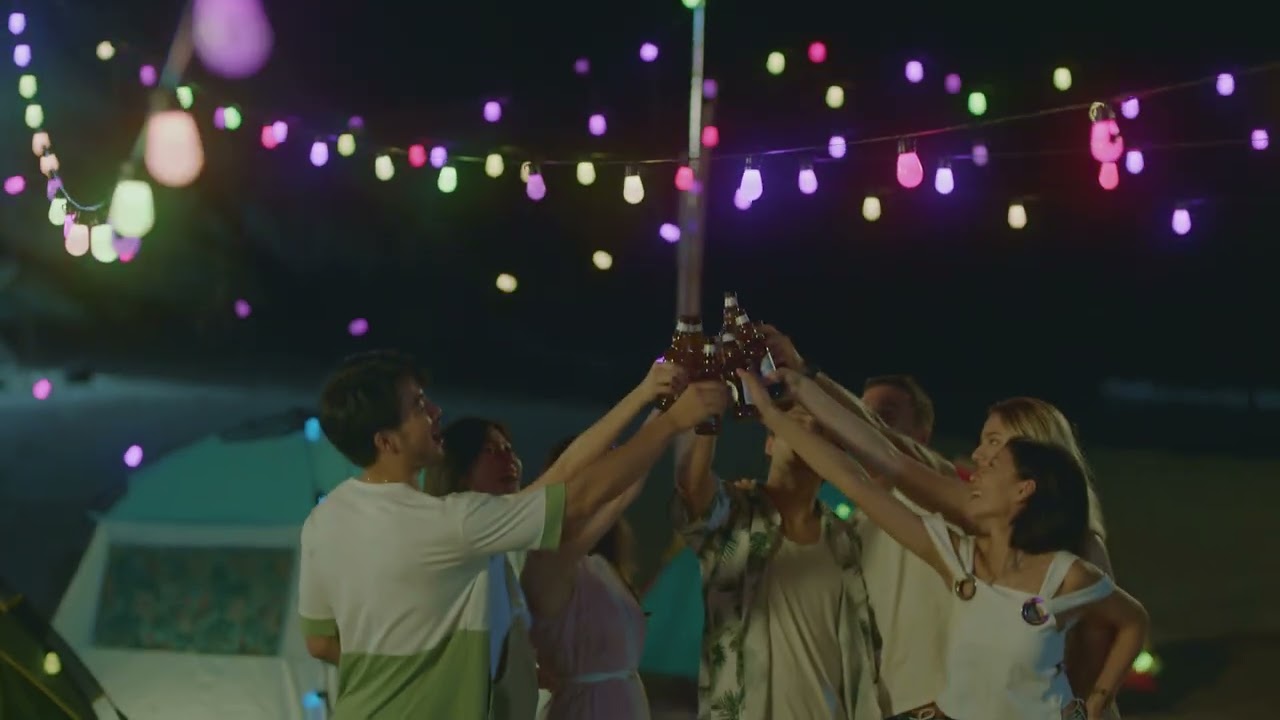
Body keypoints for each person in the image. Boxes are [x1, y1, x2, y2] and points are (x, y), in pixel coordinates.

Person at [297, 350, 727, 718]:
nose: (436, 412)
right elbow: (578, 496)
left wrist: (646, 395)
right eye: (418, 405)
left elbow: (319, 641)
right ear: (386, 441)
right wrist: (671, 422)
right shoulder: (451, 523)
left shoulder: (325, 519)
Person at [736, 367, 1149, 720]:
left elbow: (1131, 623)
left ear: (1025, 487)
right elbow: (861, 476)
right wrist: (781, 404)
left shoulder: (1068, 571)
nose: (976, 462)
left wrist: (1092, 703)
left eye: (994, 454)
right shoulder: (959, 560)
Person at [427, 363, 679, 719]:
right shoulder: (463, 530)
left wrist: (661, 407)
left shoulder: (509, 535)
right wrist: (657, 405)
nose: (508, 458)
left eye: (508, 448)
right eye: (491, 450)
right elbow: (574, 473)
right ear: (458, 469)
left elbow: (607, 486)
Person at [763, 328, 961, 720]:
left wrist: (804, 373)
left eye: (882, 416)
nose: (856, 426)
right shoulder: (846, 526)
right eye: (855, 413)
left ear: (922, 435)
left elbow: (887, 446)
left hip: (943, 704)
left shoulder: (940, 502)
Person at [672, 381, 881, 718]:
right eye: (795, 423)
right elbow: (692, 486)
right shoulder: (736, 515)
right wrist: (710, 404)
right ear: (769, 442)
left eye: (819, 431)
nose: (807, 430)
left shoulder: (846, 540)